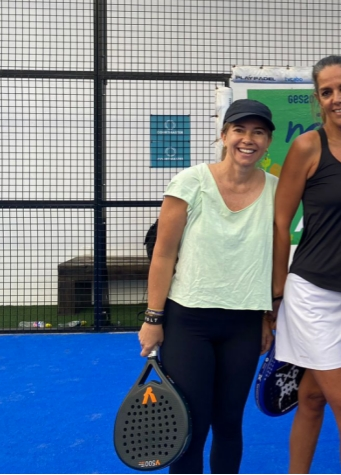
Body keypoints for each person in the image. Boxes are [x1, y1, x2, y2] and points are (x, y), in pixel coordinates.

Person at [137, 99, 279, 474]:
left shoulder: (277, 191)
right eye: (240, 130)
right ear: (224, 135)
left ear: (268, 142)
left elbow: (272, 258)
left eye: (258, 132)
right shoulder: (190, 182)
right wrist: (153, 318)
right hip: (188, 323)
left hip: (244, 325)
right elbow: (163, 254)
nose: (248, 139)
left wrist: (266, 317)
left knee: (229, 425)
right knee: (191, 426)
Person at [273, 55, 341, 474]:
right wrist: (276, 296)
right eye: (326, 92)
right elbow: (280, 223)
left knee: (313, 396)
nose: (337, 98)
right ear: (317, 101)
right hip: (312, 297)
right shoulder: (307, 147)